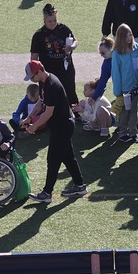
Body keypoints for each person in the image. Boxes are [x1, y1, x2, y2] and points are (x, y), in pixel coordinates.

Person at [24, 61, 86, 203]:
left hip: (62, 127)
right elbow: (41, 101)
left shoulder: (51, 85)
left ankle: (47, 193)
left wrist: (34, 126)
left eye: (32, 76)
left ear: (39, 71)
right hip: (61, 126)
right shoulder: (44, 81)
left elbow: (47, 114)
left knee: (53, 160)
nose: (31, 80)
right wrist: (29, 117)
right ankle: (80, 185)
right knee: (67, 157)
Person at [30, 3, 79, 108]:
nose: (53, 23)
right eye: (50, 21)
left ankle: (75, 113)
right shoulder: (39, 35)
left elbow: (75, 41)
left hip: (66, 68)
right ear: (44, 21)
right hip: (48, 71)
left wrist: (71, 47)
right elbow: (34, 55)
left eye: (54, 20)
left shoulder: (63, 29)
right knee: (48, 95)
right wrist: (33, 71)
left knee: (70, 91)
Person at [111, 24, 138, 143]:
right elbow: (116, 73)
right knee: (124, 112)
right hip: (124, 89)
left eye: (130, 34)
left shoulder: (136, 48)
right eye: (126, 36)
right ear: (120, 38)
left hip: (135, 86)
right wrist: (117, 91)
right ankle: (123, 132)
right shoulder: (117, 53)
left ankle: (133, 133)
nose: (129, 38)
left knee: (134, 111)